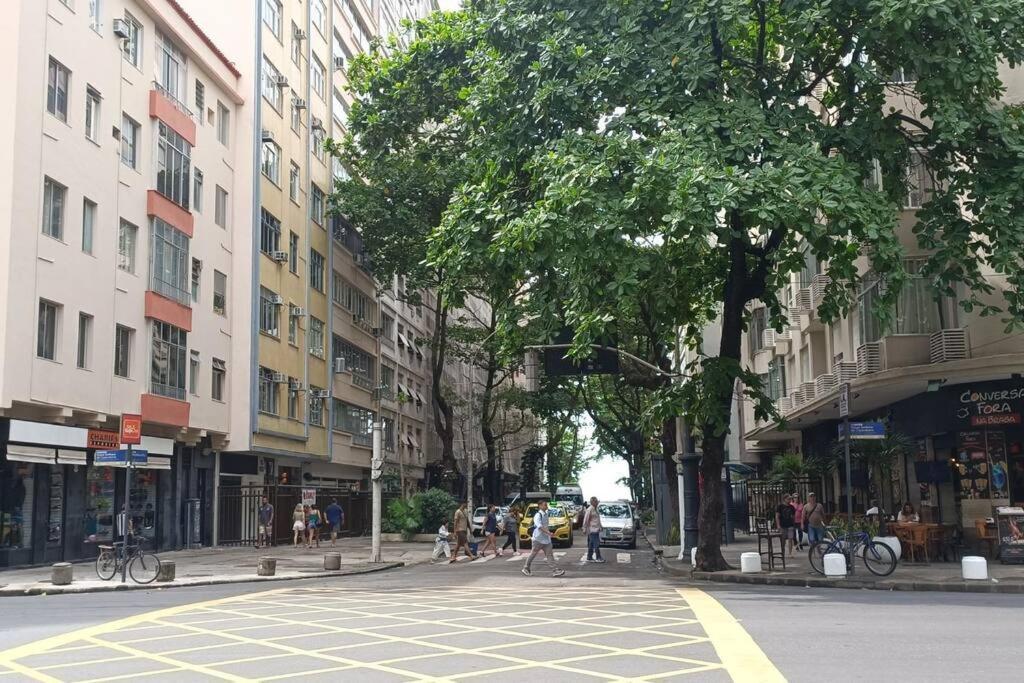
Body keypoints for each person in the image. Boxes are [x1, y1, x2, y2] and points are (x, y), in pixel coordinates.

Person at [523, 500, 566, 577]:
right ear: (540, 506)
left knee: (549, 555)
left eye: (546, 505)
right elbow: (539, 526)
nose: (546, 506)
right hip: (538, 539)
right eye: (544, 505)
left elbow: (545, 526)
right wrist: (548, 533)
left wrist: (548, 534)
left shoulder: (546, 514)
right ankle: (526, 568)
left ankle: (555, 570)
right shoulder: (538, 515)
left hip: (546, 539)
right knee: (533, 554)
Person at [582, 497, 605, 563]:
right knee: (596, 543)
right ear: (593, 502)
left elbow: (597, 519)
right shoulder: (590, 509)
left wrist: (600, 526)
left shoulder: (595, 509)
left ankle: (589, 557)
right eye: (596, 501)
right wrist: (584, 528)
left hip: (596, 529)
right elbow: (586, 520)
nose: (597, 503)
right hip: (592, 529)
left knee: (591, 544)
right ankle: (598, 557)